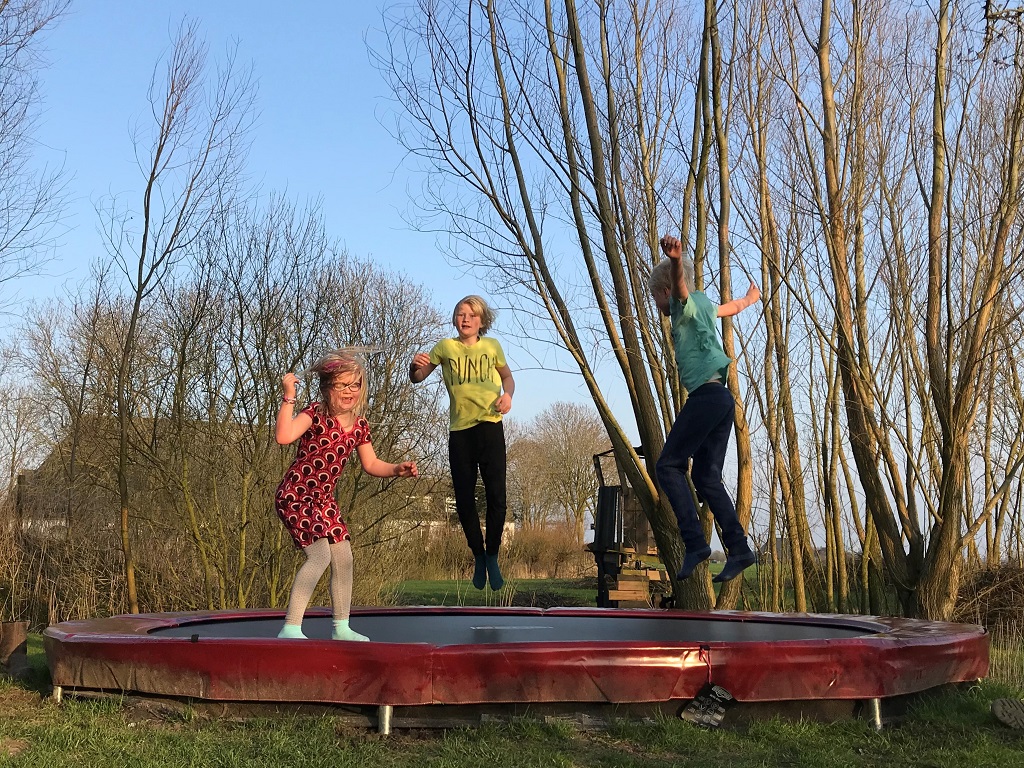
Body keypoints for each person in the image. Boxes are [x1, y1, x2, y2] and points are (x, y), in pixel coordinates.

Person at [275, 350, 417, 640]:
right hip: (296, 496)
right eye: (341, 385)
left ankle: (342, 627)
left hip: (324, 502)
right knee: (319, 556)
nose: (349, 391)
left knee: (344, 557)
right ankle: (290, 627)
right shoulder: (314, 414)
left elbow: (372, 464)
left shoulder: (360, 426)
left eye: (355, 385)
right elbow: (283, 436)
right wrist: (289, 397)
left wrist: (396, 470)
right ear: (327, 389)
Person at [649, 235, 761, 584]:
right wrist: (749, 298)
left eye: (655, 297)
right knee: (705, 476)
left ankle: (695, 544)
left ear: (664, 291)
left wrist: (676, 261)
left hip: (706, 398)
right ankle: (739, 549)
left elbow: (680, 287)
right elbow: (731, 308)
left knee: (668, 465)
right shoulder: (706, 307)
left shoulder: (685, 304)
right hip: (722, 400)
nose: (657, 305)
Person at [409, 295, 515, 590]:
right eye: (460, 314)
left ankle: (492, 554)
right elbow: (418, 377)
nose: (465, 319)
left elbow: (508, 378)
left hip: (491, 427)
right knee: (464, 500)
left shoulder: (492, 347)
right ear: (455, 319)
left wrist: (508, 396)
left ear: (482, 321)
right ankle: (478, 555)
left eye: (471, 315)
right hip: (460, 433)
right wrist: (413, 365)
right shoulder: (445, 347)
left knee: (497, 497)